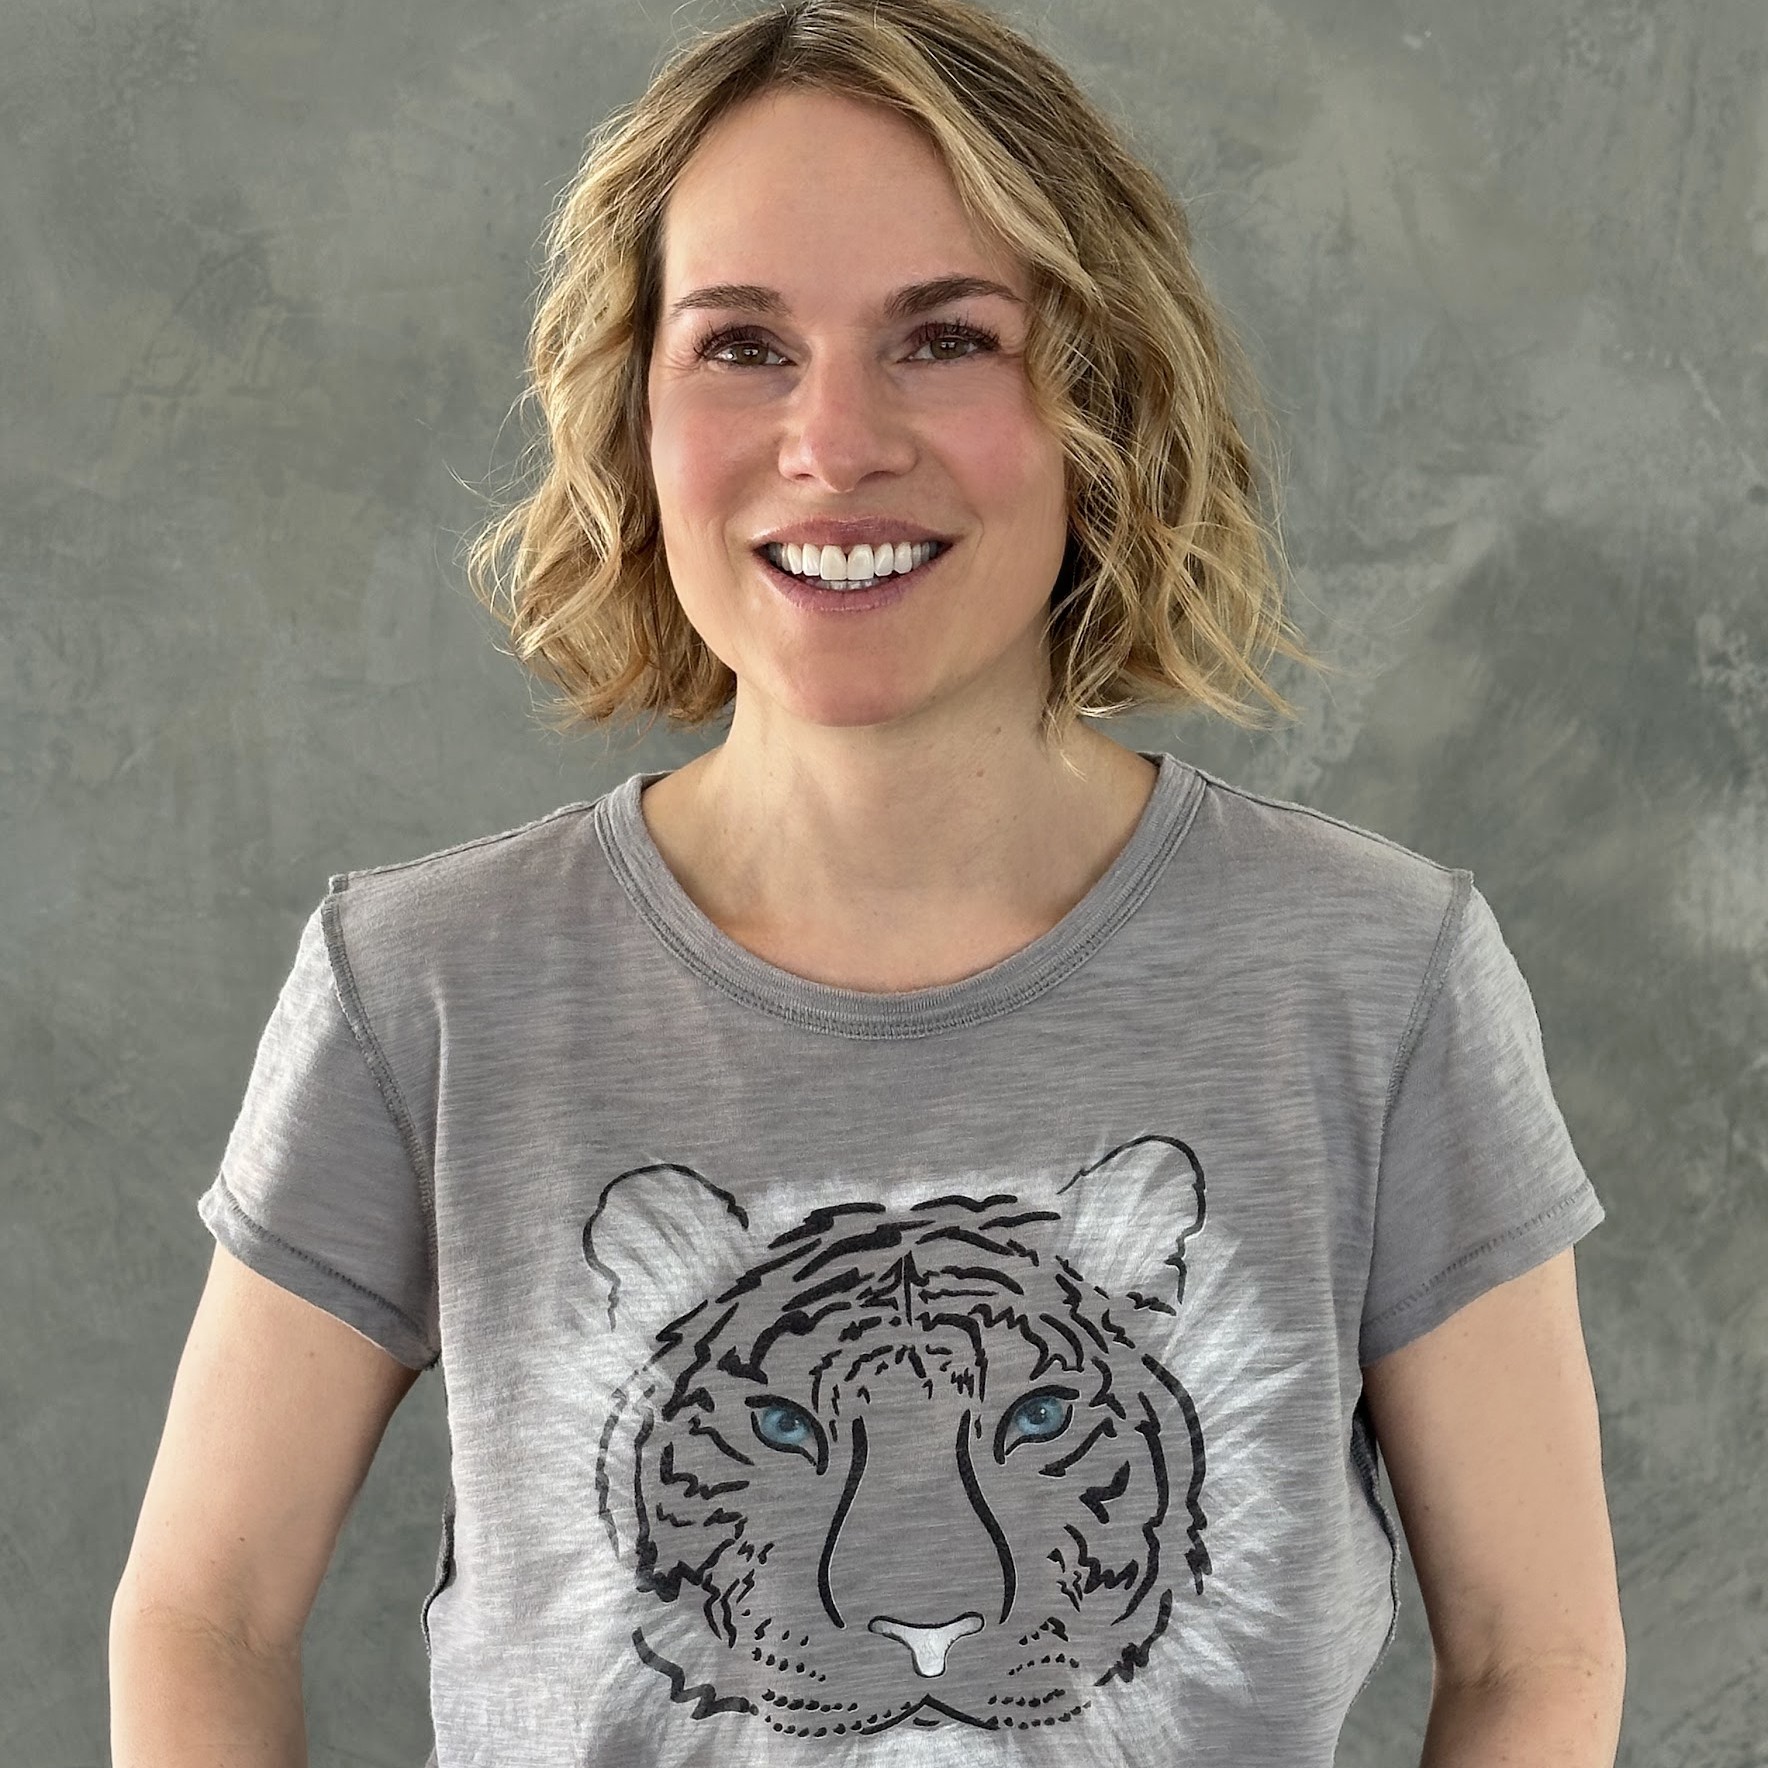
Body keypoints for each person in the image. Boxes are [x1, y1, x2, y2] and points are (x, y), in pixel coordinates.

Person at [109, 1, 1627, 1763]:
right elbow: (203, 1613)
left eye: (946, 339)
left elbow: (1534, 1654)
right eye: (743, 345)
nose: (833, 444)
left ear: (1104, 404)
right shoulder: (428, 985)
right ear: (632, 411)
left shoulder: (1374, 975)